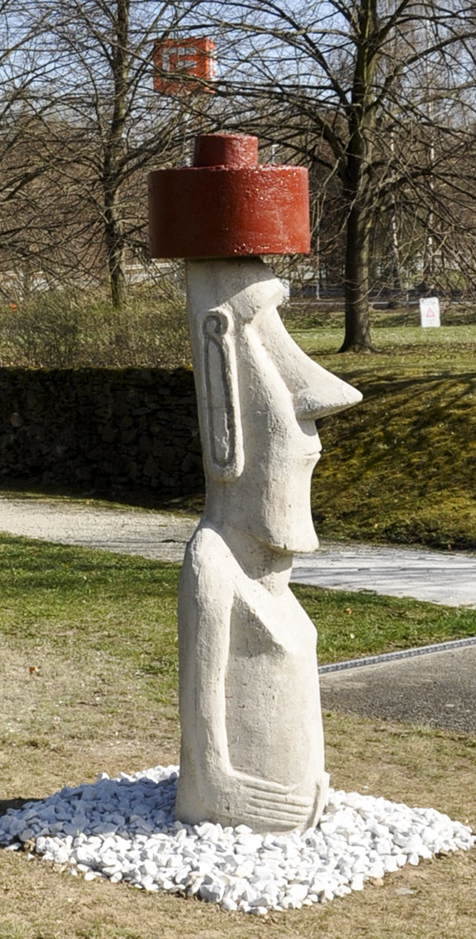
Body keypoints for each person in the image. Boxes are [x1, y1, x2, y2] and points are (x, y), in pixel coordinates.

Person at [174, 256, 361, 832]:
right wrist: (224, 789)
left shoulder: (270, 583)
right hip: (253, 808)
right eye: (263, 339)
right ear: (227, 439)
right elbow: (201, 713)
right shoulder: (213, 563)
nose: (321, 399)